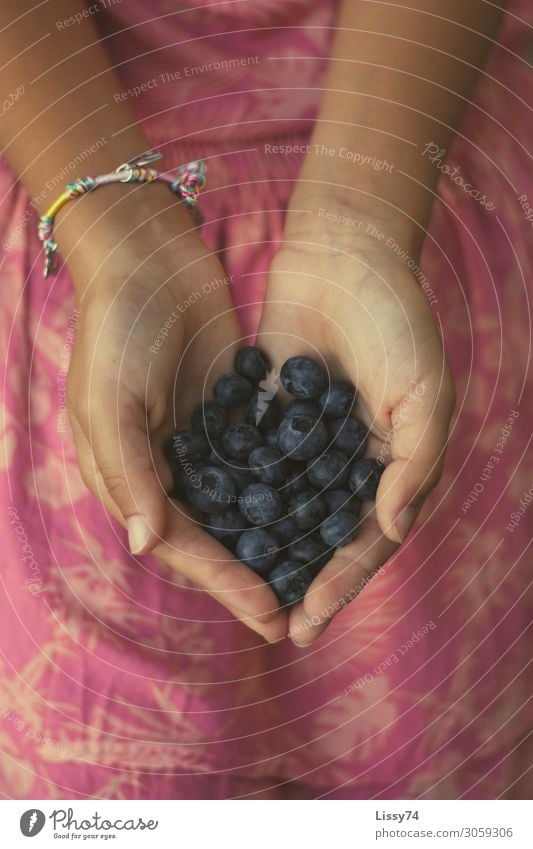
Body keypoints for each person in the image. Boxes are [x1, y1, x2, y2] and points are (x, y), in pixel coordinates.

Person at [0, 0, 530, 800]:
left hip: (420, 164)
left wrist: (364, 206)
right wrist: (119, 235)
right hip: (73, 187)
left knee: (428, 780)